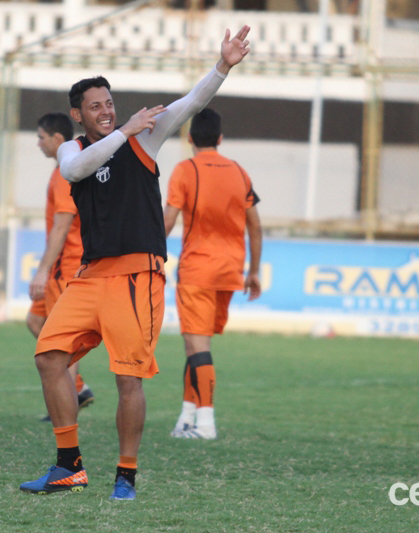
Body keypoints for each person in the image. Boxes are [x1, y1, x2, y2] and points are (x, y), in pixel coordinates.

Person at [19, 25, 251, 500]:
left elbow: (191, 102)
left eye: (110, 103)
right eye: (96, 106)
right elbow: (76, 170)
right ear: (77, 114)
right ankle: (70, 466)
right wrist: (124, 131)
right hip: (91, 277)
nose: (106, 111)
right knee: (48, 357)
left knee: (128, 378)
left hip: (137, 276)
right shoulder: (73, 149)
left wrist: (222, 66)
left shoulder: (146, 135)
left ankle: (126, 474)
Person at [163, 108, 263, 440]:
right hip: (230, 270)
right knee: (196, 346)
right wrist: (254, 271)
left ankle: (205, 423)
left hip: (197, 270)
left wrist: (146, 250)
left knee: (197, 344)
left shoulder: (185, 170)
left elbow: (168, 221)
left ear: (190, 138)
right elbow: (255, 228)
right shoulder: (239, 172)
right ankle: (186, 419)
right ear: (219, 139)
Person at [25, 112, 95, 421]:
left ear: (57, 139)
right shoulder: (59, 172)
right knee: (34, 321)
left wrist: (43, 268)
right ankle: (76, 389)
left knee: (63, 341)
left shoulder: (67, 173)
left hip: (67, 268)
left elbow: (62, 226)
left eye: (41, 137)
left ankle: (67, 408)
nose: (38, 143)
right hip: (58, 269)